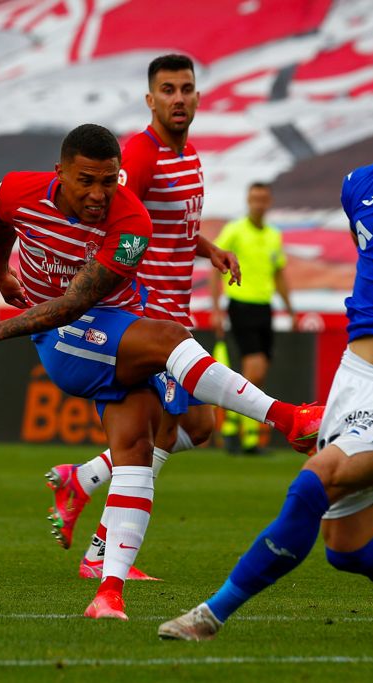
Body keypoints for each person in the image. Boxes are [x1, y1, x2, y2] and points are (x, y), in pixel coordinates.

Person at [159, 66, 373, 643]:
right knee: (349, 548)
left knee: (311, 485)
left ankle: (210, 616)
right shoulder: (361, 185)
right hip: (354, 375)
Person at [0, 123, 322, 621]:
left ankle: (108, 591)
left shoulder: (132, 223)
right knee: (169, 340)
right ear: (59, 172)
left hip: (103, 320)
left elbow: (80, 299)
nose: (100, 194)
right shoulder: (18, 189)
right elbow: (0, 218)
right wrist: (0, 269)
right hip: (63, 339)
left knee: (140, 451)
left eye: (110, 181)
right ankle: (288, 419)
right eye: (86, 181)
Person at [44, 55, 236, 581]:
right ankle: (98, 545)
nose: (179, 97)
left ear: (198, 97)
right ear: (150, 100)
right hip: (147, 310)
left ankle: (84, 489)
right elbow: (110, 219)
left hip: (177, 306)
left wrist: (209, 248)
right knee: (177, 428)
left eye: (187, 88)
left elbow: (165, 223)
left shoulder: (189, 156)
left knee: (187, 428)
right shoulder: (140, 157)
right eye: (168, 89)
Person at [211, 182, 296, 454]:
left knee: (258, 373)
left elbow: (278, 273)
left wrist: (290, 307)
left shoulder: (274, 235)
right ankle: (240, 437)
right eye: (254, 198)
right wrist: (215, 307)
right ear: (248, 201)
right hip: (241, 304)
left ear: (268, 202)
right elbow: (216, 266)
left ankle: (236, 428)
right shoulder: (235, 230)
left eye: (263, 198)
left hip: (264, 307)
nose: (259, 203)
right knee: (254, 368)